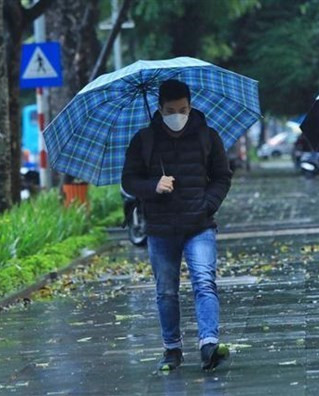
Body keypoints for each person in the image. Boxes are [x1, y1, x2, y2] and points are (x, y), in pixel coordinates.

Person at [122, 79, 232, 371]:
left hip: (200, 225)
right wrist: (152, 186)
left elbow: (222, 177)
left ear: (190, 105)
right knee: (166, 291)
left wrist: (207, 205)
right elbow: (128, 180)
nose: (177, 116)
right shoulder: (144, 140)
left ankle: (209, 344)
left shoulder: (208, 137)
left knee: (204, 282)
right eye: (171, 110)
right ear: (160, 108)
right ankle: (172, 348)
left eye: (183, 109)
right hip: (160, 228)